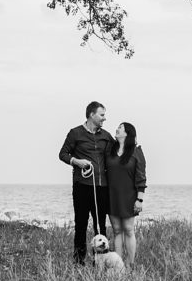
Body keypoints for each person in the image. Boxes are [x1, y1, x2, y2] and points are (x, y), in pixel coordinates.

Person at [59, 100, 114, 264]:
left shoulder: (106, 136)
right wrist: (77, 161)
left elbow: (116, 155)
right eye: (101, 115)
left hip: (101, 187)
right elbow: (63, 154)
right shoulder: (75, 133)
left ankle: (100, 263)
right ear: (91, 114)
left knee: (100, 226)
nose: (104, 118)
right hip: (81, 186)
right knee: (81, 224)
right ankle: (78, 261)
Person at [105, 121, 147, 268]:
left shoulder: (136, 151)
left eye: (120, 127)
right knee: (116, 230)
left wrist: (139, 199)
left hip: (129, 196)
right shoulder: (110, 149)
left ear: (127, 133)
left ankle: (130, 264)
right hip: (112, 195)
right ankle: (119, 265)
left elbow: (141, 177)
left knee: (128, 229)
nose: (117, 129)